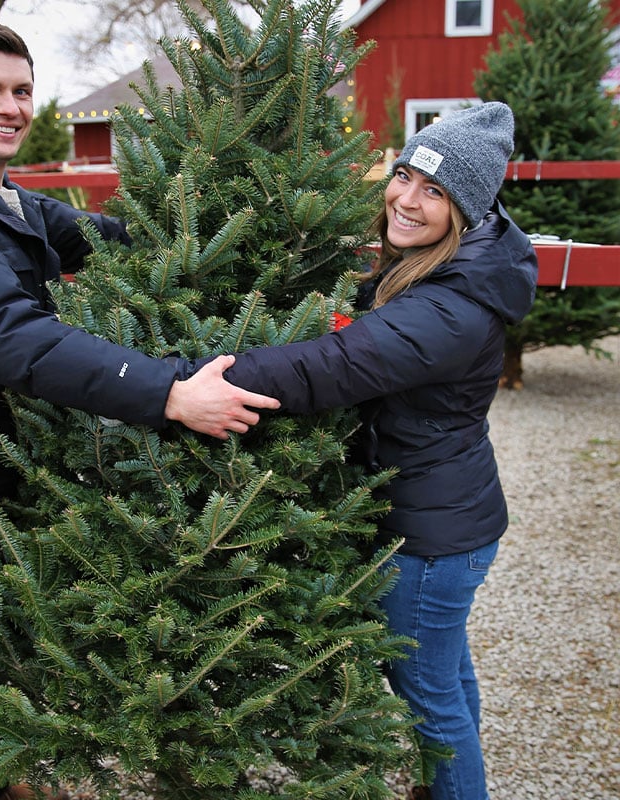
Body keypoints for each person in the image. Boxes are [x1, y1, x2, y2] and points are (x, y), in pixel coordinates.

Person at [0, 21, 278, 800]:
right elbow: (10, 338)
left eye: (21, 91)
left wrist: (217, 230)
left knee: (9, 675)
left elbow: (109, 239)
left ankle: (9, 779)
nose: (10, 107)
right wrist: (169, 393)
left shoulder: (0, 197)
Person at [209, 103, 538, 800]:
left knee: (430, 700)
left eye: (434, 192)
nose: (407, 200)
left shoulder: (450, 307)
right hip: (452, 515)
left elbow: (328, 368)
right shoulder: (444, 267)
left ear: (466, 210)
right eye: (406, 176)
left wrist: (192, 376)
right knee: (446, 680)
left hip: (429, 536)